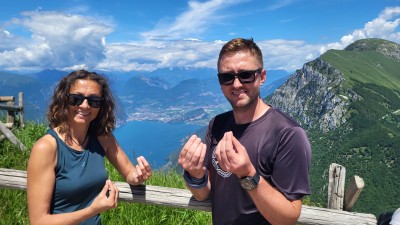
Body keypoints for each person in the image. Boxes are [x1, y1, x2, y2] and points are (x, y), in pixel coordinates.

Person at [178, 38, 311, 225]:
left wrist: (248, 174)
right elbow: (204, 194)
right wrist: (195, 175)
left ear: (262, 77)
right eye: (227, 77)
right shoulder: (217, 125)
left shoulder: (288, 135)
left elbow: (288, 218)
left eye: (245, 75)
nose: (236, 84)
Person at [27, 70, 152, 225]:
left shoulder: (103, 139)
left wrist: (137, 177)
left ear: (101, 106)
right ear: (64, 99)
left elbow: (130, 173)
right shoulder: (46, 147)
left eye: (94, 101)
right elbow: (38, 221)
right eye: (76, 99)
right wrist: (92, 210)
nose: (84, 105)